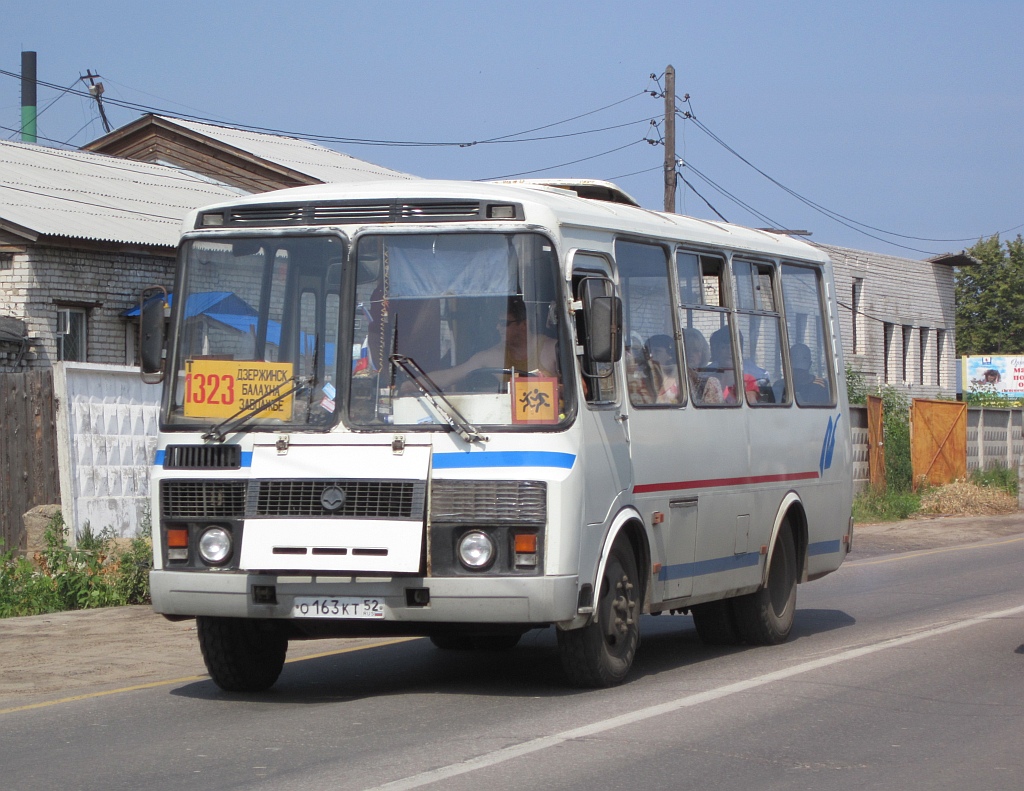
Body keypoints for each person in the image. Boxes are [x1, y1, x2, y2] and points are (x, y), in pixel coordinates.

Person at [425, 297, 558, 391]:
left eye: (504, 323)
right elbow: (448, 376)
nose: (497, 328)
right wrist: (407, 386)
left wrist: (554, 389)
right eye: (497, 322)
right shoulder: (490, 356)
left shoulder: (552, 348)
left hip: (550, 425)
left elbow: (577, 389)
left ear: (524, 324)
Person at [708, 326, 758, 404]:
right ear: (715, 351)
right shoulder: (707, 379)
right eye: (724, 347)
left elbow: (749, 409)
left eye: (733, 348)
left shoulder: (747, 380)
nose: (729, 352)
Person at [682, 328, 724, 404]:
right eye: (687, 349)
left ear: (703, 354)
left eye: (695, 350)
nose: (691, 354)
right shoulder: (672, 379)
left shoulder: (709, 383)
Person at [644, 334, 682, 404]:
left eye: (657, 351)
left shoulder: (680, 375)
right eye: (649, 352)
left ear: (670, 355)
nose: (651, 356)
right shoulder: (644, 374)